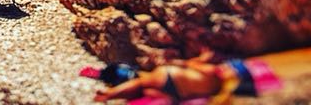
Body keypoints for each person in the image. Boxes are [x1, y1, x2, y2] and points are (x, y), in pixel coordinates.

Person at [94, 52, 261, 102]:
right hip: (174, 93)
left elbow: (189, 64)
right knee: (144, 89)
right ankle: (113, 95)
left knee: (140, 82)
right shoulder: (219, 89)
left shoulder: (212, 71)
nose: (225, 66)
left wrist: (203, 58)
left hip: (170, 77)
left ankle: (109, 95)